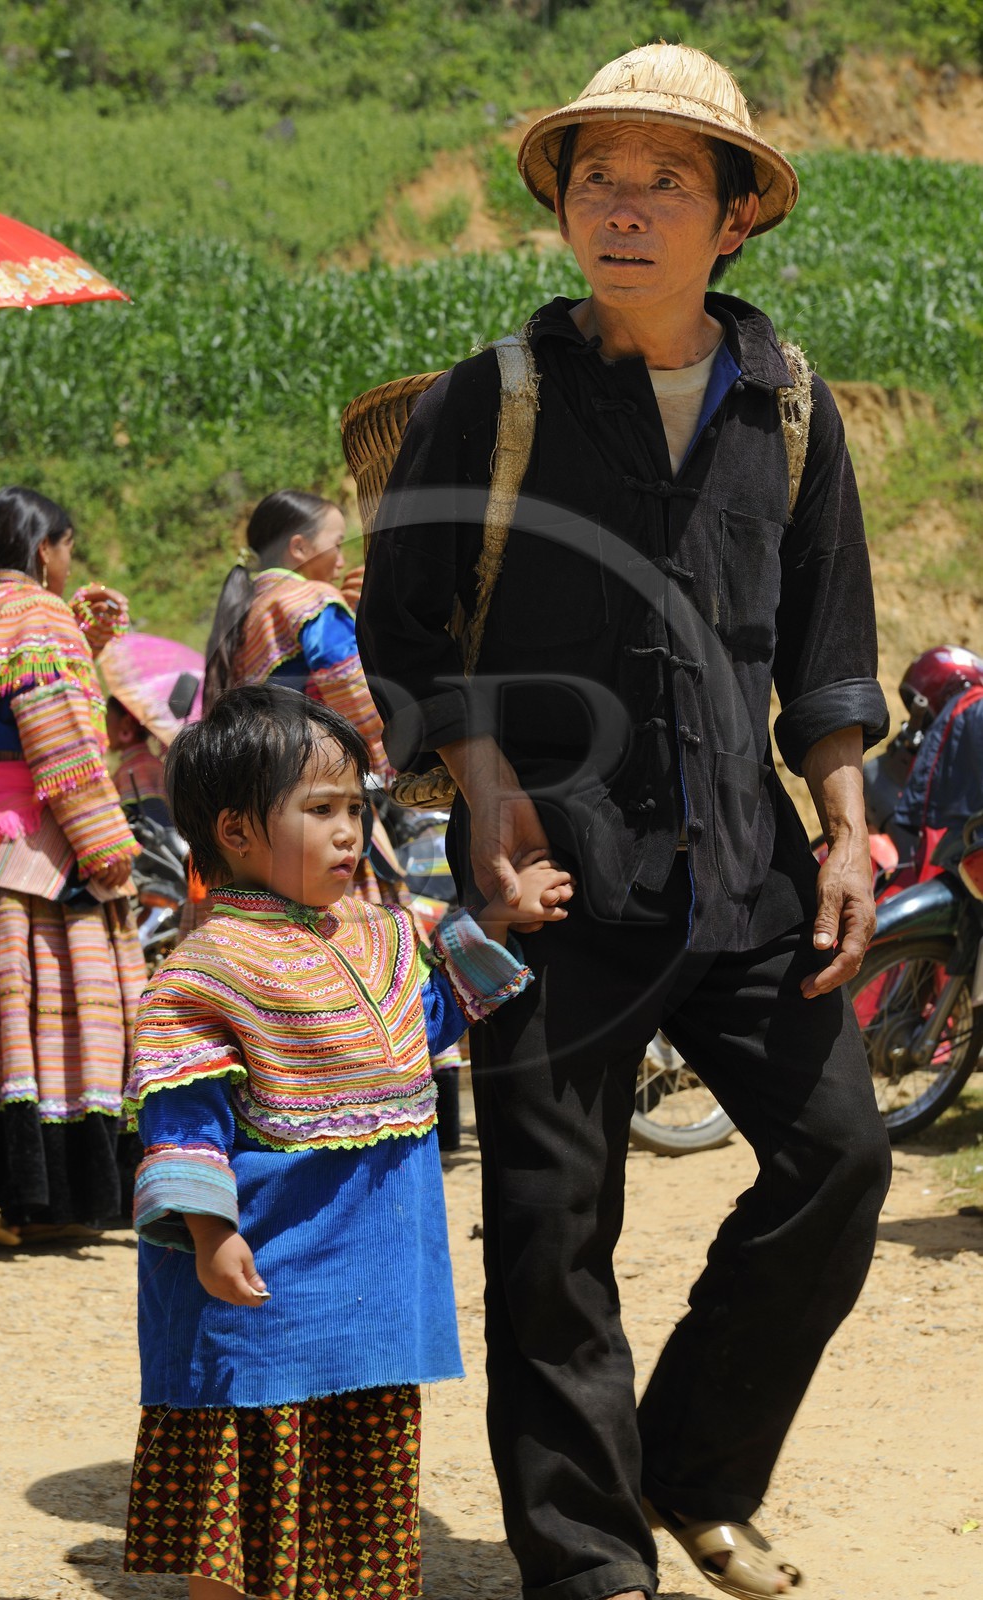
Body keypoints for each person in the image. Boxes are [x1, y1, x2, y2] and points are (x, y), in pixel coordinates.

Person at [357, 42, 893, 1600]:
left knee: (839, 1159)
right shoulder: (494, 401)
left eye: (668, 181)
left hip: (746, 869)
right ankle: (589, 1567)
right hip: (548, 877)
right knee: (547, 1229)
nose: (628, 206)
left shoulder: (786, 410)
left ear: (734, 218)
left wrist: (848, 830)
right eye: (600, 176)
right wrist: (482, 798)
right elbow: (405, 638)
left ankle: (694, 1469)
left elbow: (827, 650)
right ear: (561, 203)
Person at [120, 682, 572, 1599]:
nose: (348, 831)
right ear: (239, 833)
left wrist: (497, 922)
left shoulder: (379, 937)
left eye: (357, 809)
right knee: (247, 1504)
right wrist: (211, 1236)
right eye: (319, 809)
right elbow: (183, 1122)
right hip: (269, 1289)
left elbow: (420, 1023)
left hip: (370, 1290)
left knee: (357, 1504)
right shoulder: (205, 972)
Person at [0, 486, 145, 1247]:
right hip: (36, 844)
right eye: (69, 547)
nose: (71, 559)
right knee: (56, 1014)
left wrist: (88, 640)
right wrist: (109, 855)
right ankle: (46, 1190)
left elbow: (2, 715)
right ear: (48, 551)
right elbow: (63, 749)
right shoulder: (40, 619)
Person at [203, 487, 390, 782]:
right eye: (337, 544)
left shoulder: (247, 615)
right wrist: (387, 752)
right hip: (323, 766)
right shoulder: (311, 598)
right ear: (300, 548)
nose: (341, 561)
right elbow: (345, 676)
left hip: (277, 775)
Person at [106, 695, 171, 826]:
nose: (105, 729)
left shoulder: (131, 771)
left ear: (126, 723)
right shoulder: (157, 764)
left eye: (106, 722)